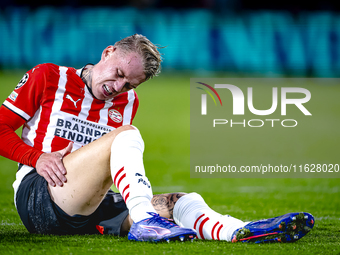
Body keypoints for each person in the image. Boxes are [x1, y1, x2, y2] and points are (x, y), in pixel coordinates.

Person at [0, 34, 314, 243]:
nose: (118, 87)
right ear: (108, 52)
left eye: (129, 85)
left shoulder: (128, 103)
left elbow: (106, 164)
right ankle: (145, 220)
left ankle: (239, 230)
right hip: (41, 197)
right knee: (128, 135)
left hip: (90, 205)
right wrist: (37, 158)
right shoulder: (48, 77)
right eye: (119, 73)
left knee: (182, 201)